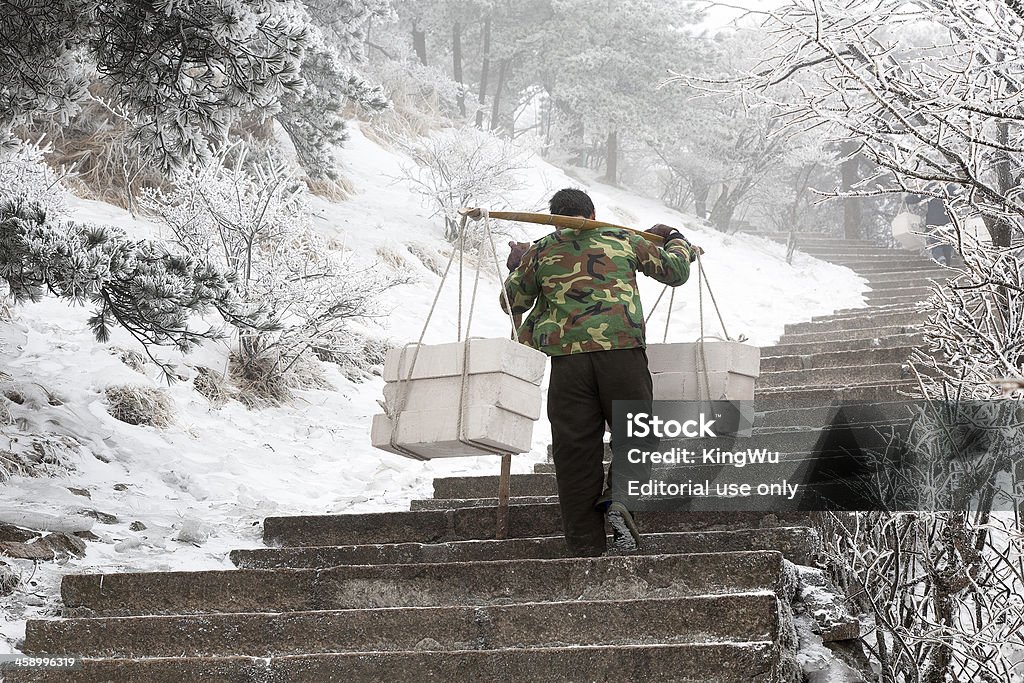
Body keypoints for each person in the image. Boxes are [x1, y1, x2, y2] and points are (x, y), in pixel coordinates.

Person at [500, 188, 698, 556]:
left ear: (554, 216)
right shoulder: (621, 237)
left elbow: (512, 302)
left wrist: (517, 265)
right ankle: (621, 500)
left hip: (567, 363)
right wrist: (676, 239)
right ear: (592, 212)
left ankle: (584, 549)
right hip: (622, 355)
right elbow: (676, 271)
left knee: (574, 453)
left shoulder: (541, 250)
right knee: (635, 436)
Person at [906, 185, 955, 266]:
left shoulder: (932, 187)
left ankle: (940, 257)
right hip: (949, 221)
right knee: (947, 242)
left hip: (934, 221)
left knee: (935, 241)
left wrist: (906, 198)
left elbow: (917, 197)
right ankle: (947, 263)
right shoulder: (952, 187)